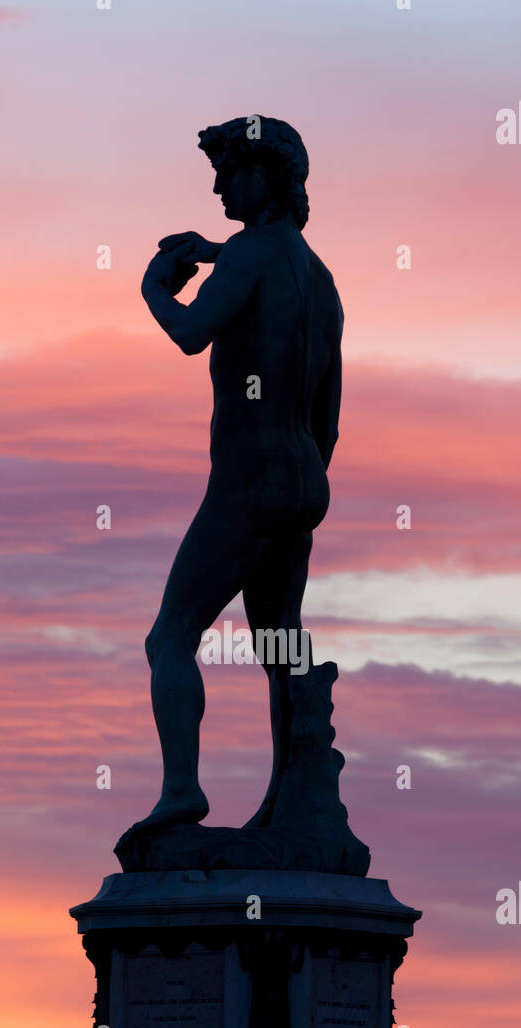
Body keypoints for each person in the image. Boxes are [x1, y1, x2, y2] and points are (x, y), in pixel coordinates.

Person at [134, 116, 343, 837]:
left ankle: (181, 793)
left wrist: (155, 289)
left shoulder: (249, 256)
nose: (220, 184)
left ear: (269, 177)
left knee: (170, 637)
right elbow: (330, 419)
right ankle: (296, 802)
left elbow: (192, 332)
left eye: (231, 171)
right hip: (303, 478)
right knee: (279, 642)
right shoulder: (320, 278)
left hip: (248, 477)